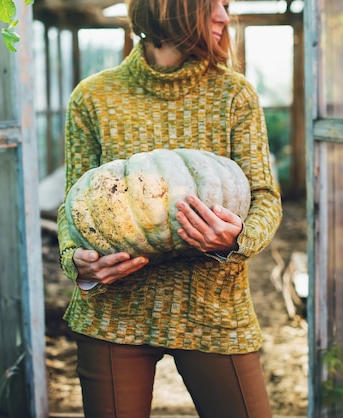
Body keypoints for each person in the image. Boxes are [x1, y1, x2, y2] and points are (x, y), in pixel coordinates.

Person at [56, 0, 283, 416]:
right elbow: (74, 204)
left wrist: (235, 239)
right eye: (213, 4)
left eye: (227, 6)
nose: (223, 17)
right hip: (114, 310)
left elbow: (264, 196)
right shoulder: (93, 97)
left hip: (214, 305)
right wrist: (79, 263)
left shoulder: (234, 94)